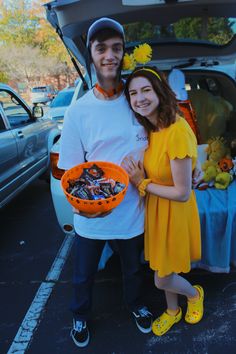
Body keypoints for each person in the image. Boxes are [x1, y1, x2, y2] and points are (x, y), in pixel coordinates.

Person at [57, 18, 153, 348]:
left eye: (116, 48)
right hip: (92, 215)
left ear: (124, 54)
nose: (109, 55)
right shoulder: (79, 112)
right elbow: (70, 169)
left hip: (131, 211)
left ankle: (136, 305)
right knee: (84, 275)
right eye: (101, 49)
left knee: (133, 270)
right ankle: (80, 315)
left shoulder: (139, 99)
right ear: (92, 56)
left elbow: (164, 137)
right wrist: (80, 206)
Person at [123, 66, 204, 336]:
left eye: (146, 90)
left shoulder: (176, 130)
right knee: (162, 265)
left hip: (175, 209)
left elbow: (182, 192)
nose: (140, 98)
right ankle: (172, 311)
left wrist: (141, 183)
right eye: (133, 93)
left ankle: (193, 295)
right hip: (157, 208)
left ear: (160, 92)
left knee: (162, 278)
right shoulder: (152, 127)